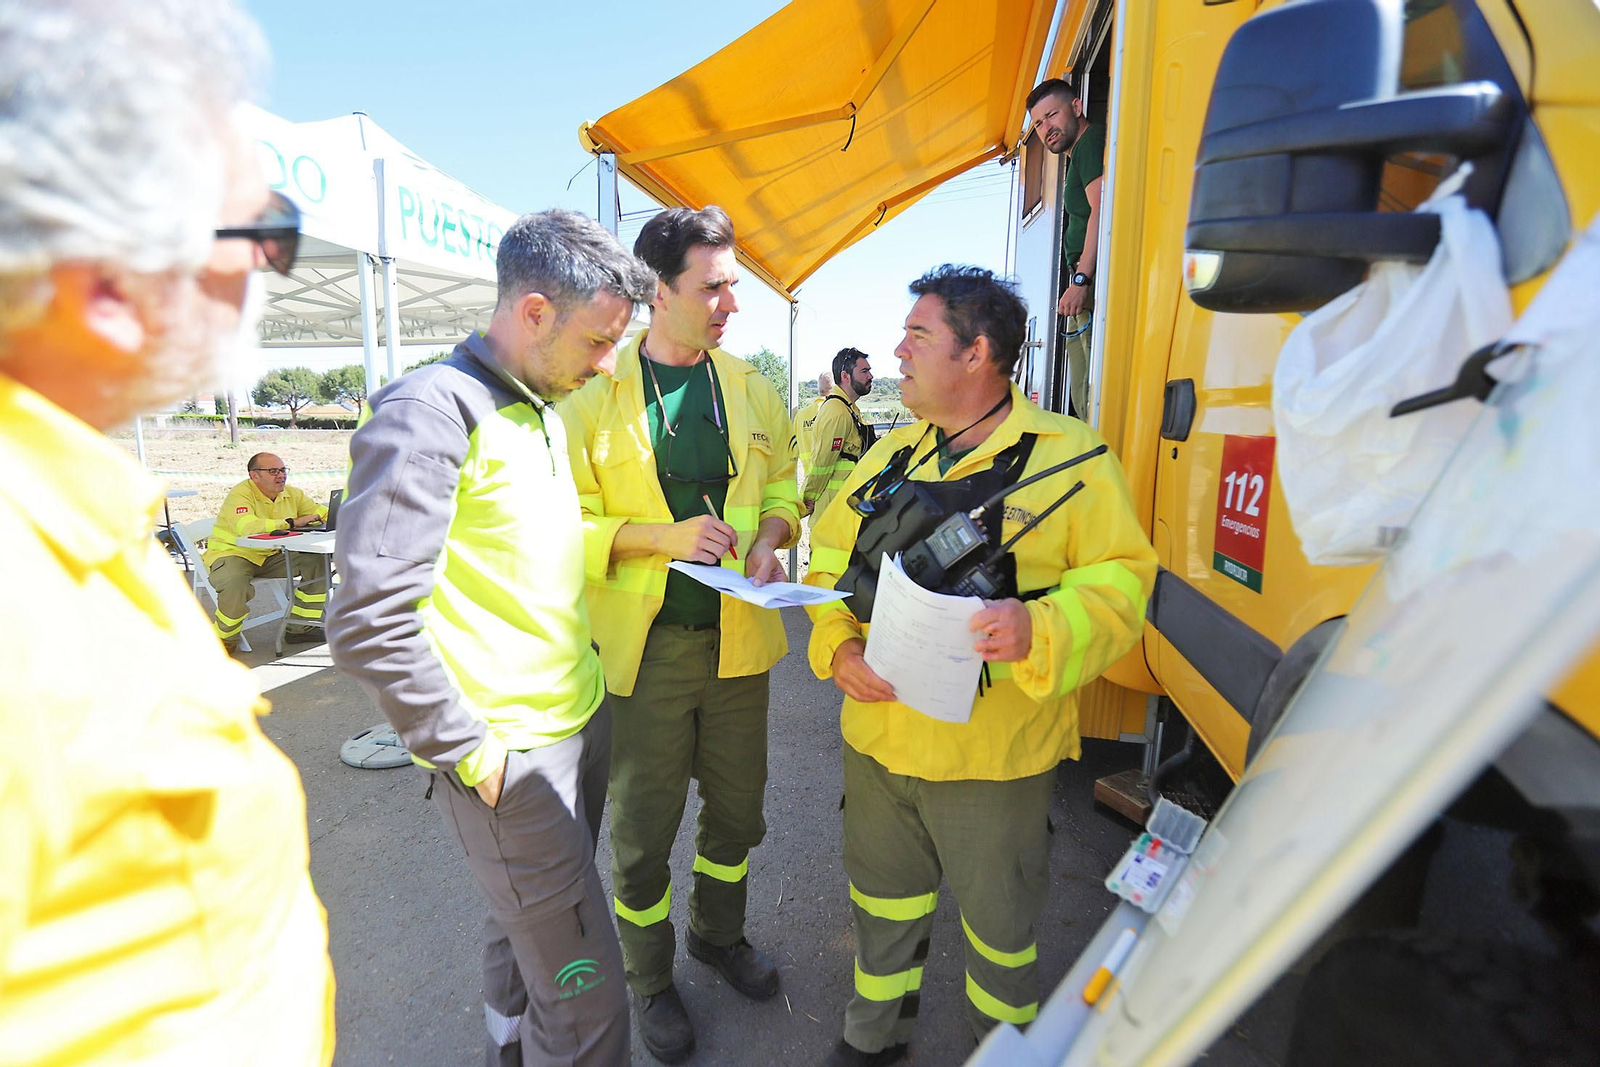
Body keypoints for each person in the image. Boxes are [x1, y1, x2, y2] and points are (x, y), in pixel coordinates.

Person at [0, 1, 335, 1063]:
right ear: (108, 288)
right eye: (260, 233)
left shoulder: (73, 525)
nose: (268, 270)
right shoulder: (21, 599)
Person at [805, 266, 1156, 1067]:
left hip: (994, 759)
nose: (897, 351)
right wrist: (838, 647)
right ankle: (873, 1036)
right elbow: (826, 562)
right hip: (878, 741)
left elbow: (1124, 586)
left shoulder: (1073, 460)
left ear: (978, 353)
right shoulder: (890, 453)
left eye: (918, 335)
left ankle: (1002, 1049)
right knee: (881, 905)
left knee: (1000, 933)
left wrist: (1041, 625)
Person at [326, 210, 653, 1067]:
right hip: (513, 758)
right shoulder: (430, 412)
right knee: (589, 1008)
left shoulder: (539, 405)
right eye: (598, 340)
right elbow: (368, 619)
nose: (607, 363)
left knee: (526, 933)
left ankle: (506, 1049)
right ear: (535, 311)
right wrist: (472, 753)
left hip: (574, 724)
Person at [562, 205, 801, 1064]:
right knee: (642, 833)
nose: (730, 303)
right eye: (713, 287)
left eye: (733, 286)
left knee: (737, 814)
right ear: (658, 291)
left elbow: (786, 489)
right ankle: (649, 975)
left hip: (739, 643)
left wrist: (773, 539)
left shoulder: (752, 386)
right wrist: (663, 538)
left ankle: (717, 933)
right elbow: (560, 527)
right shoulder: (593, 395)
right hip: (646, 654)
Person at [1027, 74, 1105, 420]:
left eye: (1052, 115)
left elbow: (1102, 209)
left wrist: (1082, 279)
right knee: (1082, 394)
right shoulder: (1077, 155)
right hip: (1084, 283)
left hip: (1090, 282)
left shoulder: (1090, 143)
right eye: (1038, 124)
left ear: (1077, 107)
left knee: (1091, 394)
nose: (1046, 129)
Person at [203, 452, 330, 650]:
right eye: (273, 471)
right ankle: (223, 639)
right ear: (255, 475)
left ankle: (300, 628)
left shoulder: (292, 494)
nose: (281, 475)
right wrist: (291, 522)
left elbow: (323, 513)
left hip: (272, 554)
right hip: (234, 553)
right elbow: (248, 528)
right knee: (235, 584)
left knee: (317, 563)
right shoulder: (240, 495)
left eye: (283, 470)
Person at [801, 347, 877, 524]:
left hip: (843, 508)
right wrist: (808, 500)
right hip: (832, 513)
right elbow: (822, 463)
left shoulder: (848, 408)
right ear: (845, 376)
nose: (870, 376)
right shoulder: (837, 412)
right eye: (864, 371)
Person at [792, 369, 832, 455]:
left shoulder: (800, 415)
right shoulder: (835, 412)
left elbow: (792, 445)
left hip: (805, 464)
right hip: (831, 463)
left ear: (818, 387)